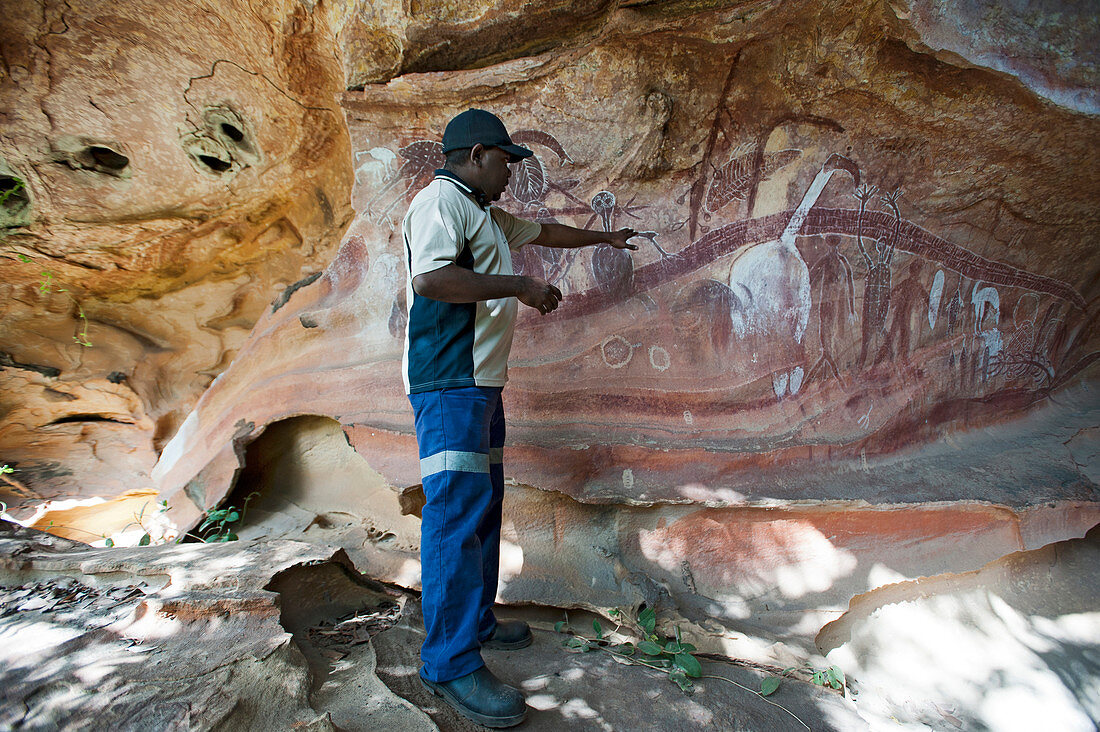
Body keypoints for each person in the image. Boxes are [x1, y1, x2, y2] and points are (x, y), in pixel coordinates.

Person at [402, 108, 637, 728]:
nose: (512, 172)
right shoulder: (440, 205)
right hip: (448, 383)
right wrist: (519, 287)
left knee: (483, 503)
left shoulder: (480, 211)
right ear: (478, 153)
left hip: (480, 384)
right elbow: (431, 281)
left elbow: (544, 233)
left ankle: (474, 621)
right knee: (454, 514)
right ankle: (449, 664)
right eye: (507, 160)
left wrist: (603, 240)